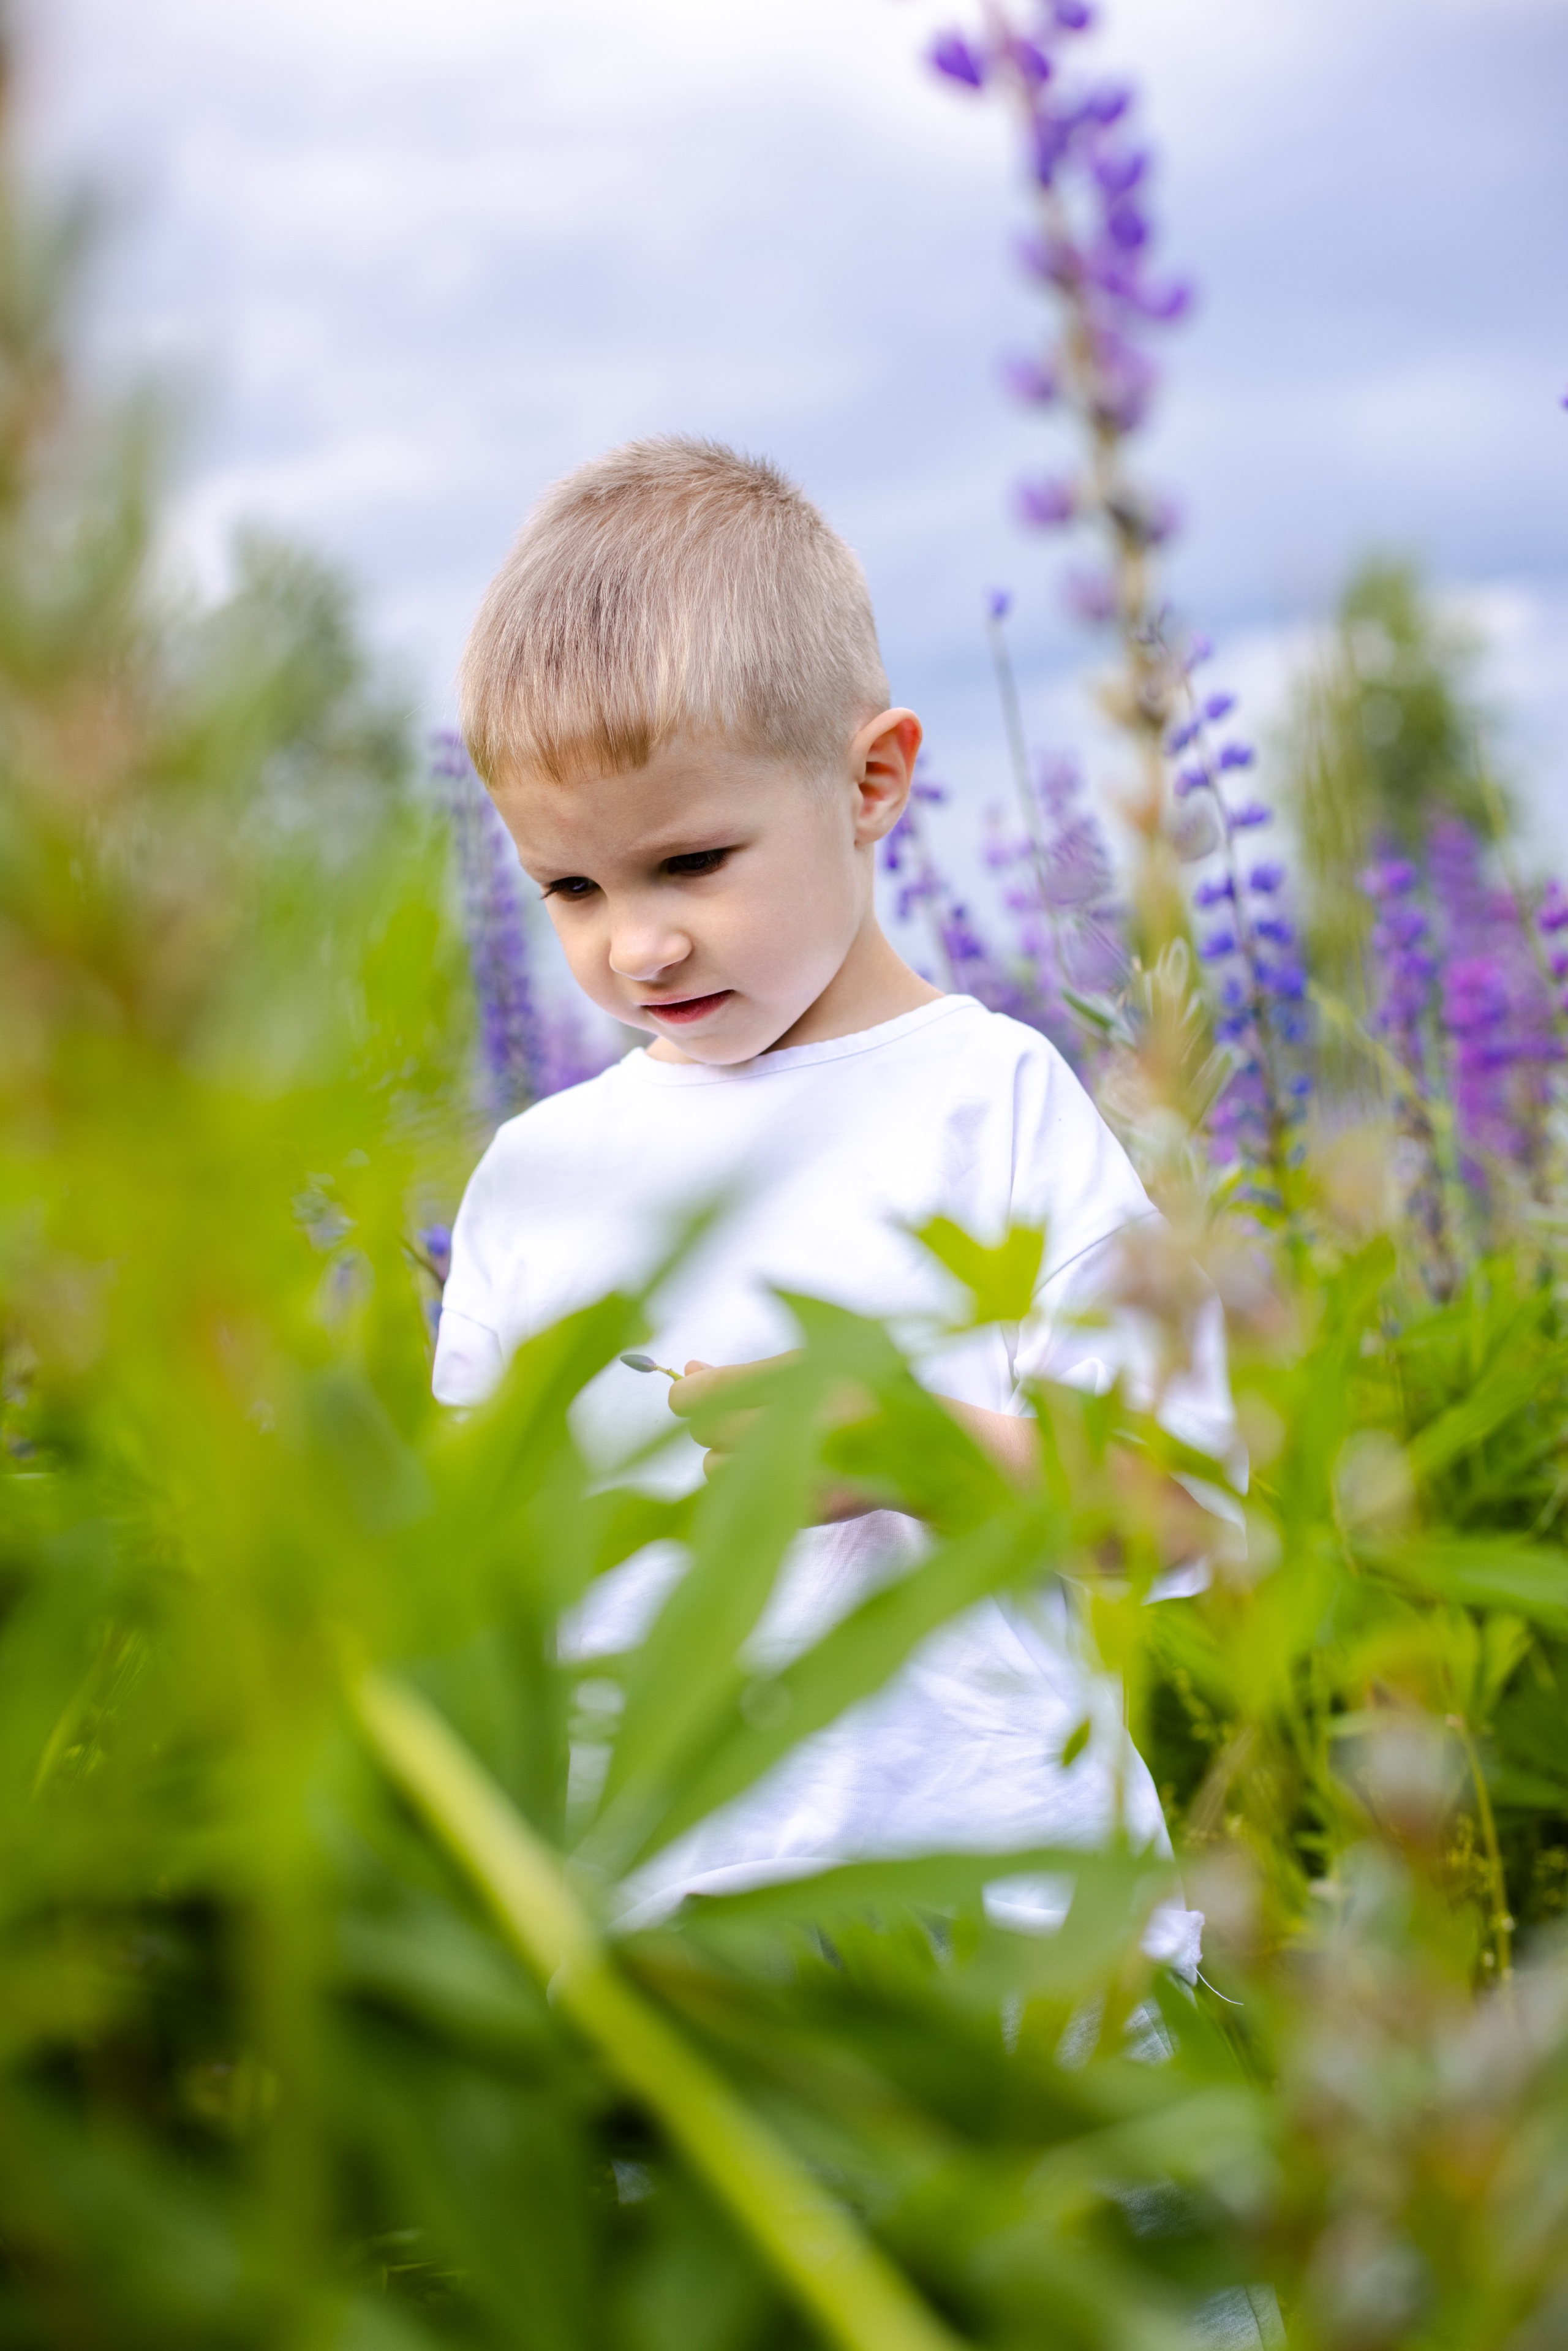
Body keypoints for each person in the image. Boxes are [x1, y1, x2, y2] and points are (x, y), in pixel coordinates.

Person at [432, 436, 1235, 1966]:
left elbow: (1173, 1504)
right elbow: (477, 1597)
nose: (637, 949)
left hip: (1015, 1970)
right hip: (656, 1992)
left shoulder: (987, 1100)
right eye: (571, 889)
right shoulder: (531, 1180)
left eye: (690, 860)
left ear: (871, 781)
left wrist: (895, 1433)